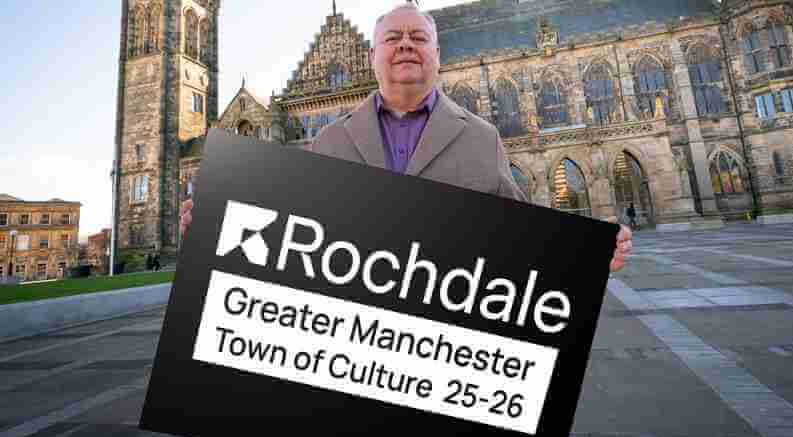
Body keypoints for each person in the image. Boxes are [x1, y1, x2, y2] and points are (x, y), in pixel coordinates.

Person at [180, 3, 632, 272]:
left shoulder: (482, 139)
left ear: (437, 54)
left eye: (419, 37)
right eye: (393, 38)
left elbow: (522, 236)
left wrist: (582, 259)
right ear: (372, 56)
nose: (406, 45)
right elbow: (293, 235)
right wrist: (219, 222)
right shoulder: (331, 142)